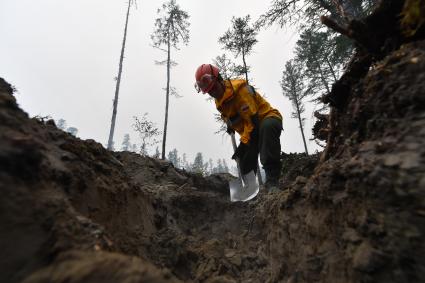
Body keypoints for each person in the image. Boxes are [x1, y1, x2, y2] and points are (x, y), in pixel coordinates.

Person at [194, 64, 283, 191]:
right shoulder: (219, 100)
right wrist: (229, 124)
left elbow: (253, 122)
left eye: (214, 88)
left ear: (219, 79)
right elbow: (231, 115)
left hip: (266, 118)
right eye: (209, 92)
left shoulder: (240, 91)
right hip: (251, 127)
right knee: (244, 161)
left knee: (266, 130)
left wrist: (244, 143)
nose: (213, 93)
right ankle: (251, 191)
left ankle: (272, 181)